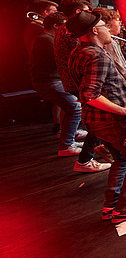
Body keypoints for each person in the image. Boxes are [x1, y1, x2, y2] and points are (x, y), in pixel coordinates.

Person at [67, 10, 126, 223]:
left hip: (97, 121)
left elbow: (96, 85)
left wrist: (125, 78)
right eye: (104, 26)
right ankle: (125, 208)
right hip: (111, 120)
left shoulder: (79, 52)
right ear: (95, 30)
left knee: (121, 159)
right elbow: (90, 95)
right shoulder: (97, 55)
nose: (109, 30)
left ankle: (111, 206)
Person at [54, 0, 112, 173]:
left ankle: (104, 149)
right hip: (78, 81)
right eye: (87, 11)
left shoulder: (64, 30)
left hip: (74, 80)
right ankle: (85, 159)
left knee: (99, 121)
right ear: (79, 12)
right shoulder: (75, 35)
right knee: (100, 121)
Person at [29, 12, 84, 156]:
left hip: (52, 81)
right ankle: (66, 145)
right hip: (49, 82)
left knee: (71, 106)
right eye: (65, 26)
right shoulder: (45, 39)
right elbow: (59, 61)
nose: (67, 31)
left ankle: (68, 135)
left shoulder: (46, 38)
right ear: (56, 26)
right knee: (75, 108)